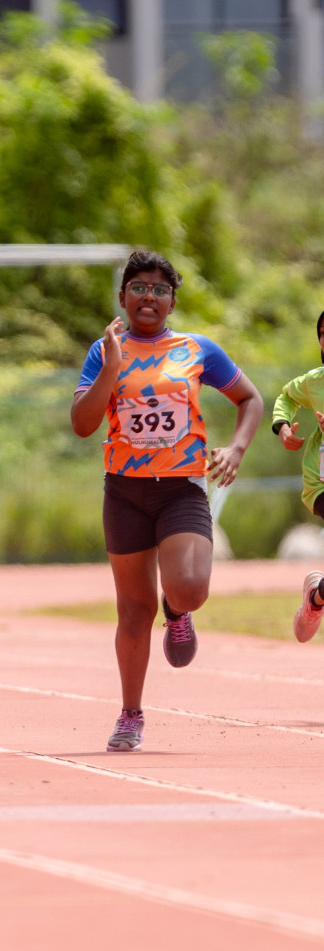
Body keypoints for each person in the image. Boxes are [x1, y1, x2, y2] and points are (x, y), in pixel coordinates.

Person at [71, 250, 261, 753]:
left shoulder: (196, 349)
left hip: (181, 487)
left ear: (172, 300)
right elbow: (83, 424)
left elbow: (251, 398)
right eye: (139, 287)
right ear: (122, 296)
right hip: (125, 492)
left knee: (192, 587)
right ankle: (131, 714)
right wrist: (112, 367)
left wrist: (237, 447)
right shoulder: (103, 350)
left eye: (159, 289)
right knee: (132, 611)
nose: (148, 296)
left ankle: (177, 612)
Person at [269, 309, 324, 642]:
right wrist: (284, 427)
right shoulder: (315, 382)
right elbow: (286, 397)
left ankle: (316, 597)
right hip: (321, 483)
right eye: (322, 331)